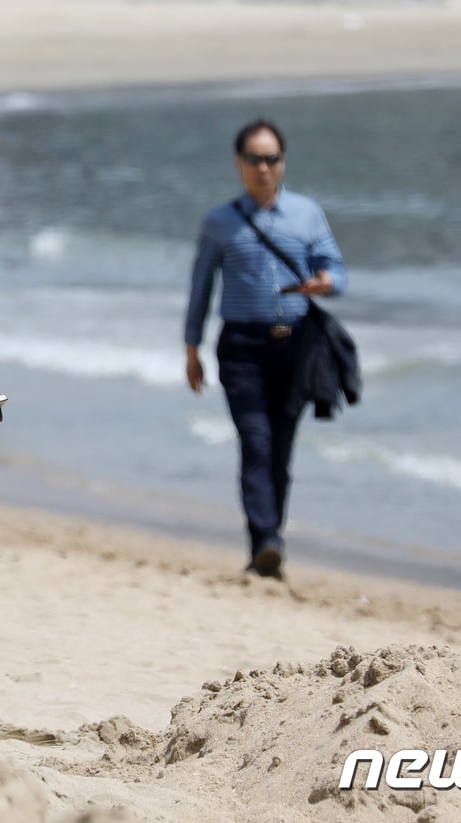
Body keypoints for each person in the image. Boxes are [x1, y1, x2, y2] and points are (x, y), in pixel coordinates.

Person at [183, 119, 347, 580]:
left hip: (296, 347)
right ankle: (265, 540)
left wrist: (328, 282)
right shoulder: (219, 222)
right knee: (255, 442)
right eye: (254, 159)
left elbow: (336, 267)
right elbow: (200, 288)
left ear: (283, 162)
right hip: (240, 349)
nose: (263, 167)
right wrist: (191, 347)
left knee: (280, 448)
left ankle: (269, 540)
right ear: (239, 163)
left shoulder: (307, 214)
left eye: (271, 158)